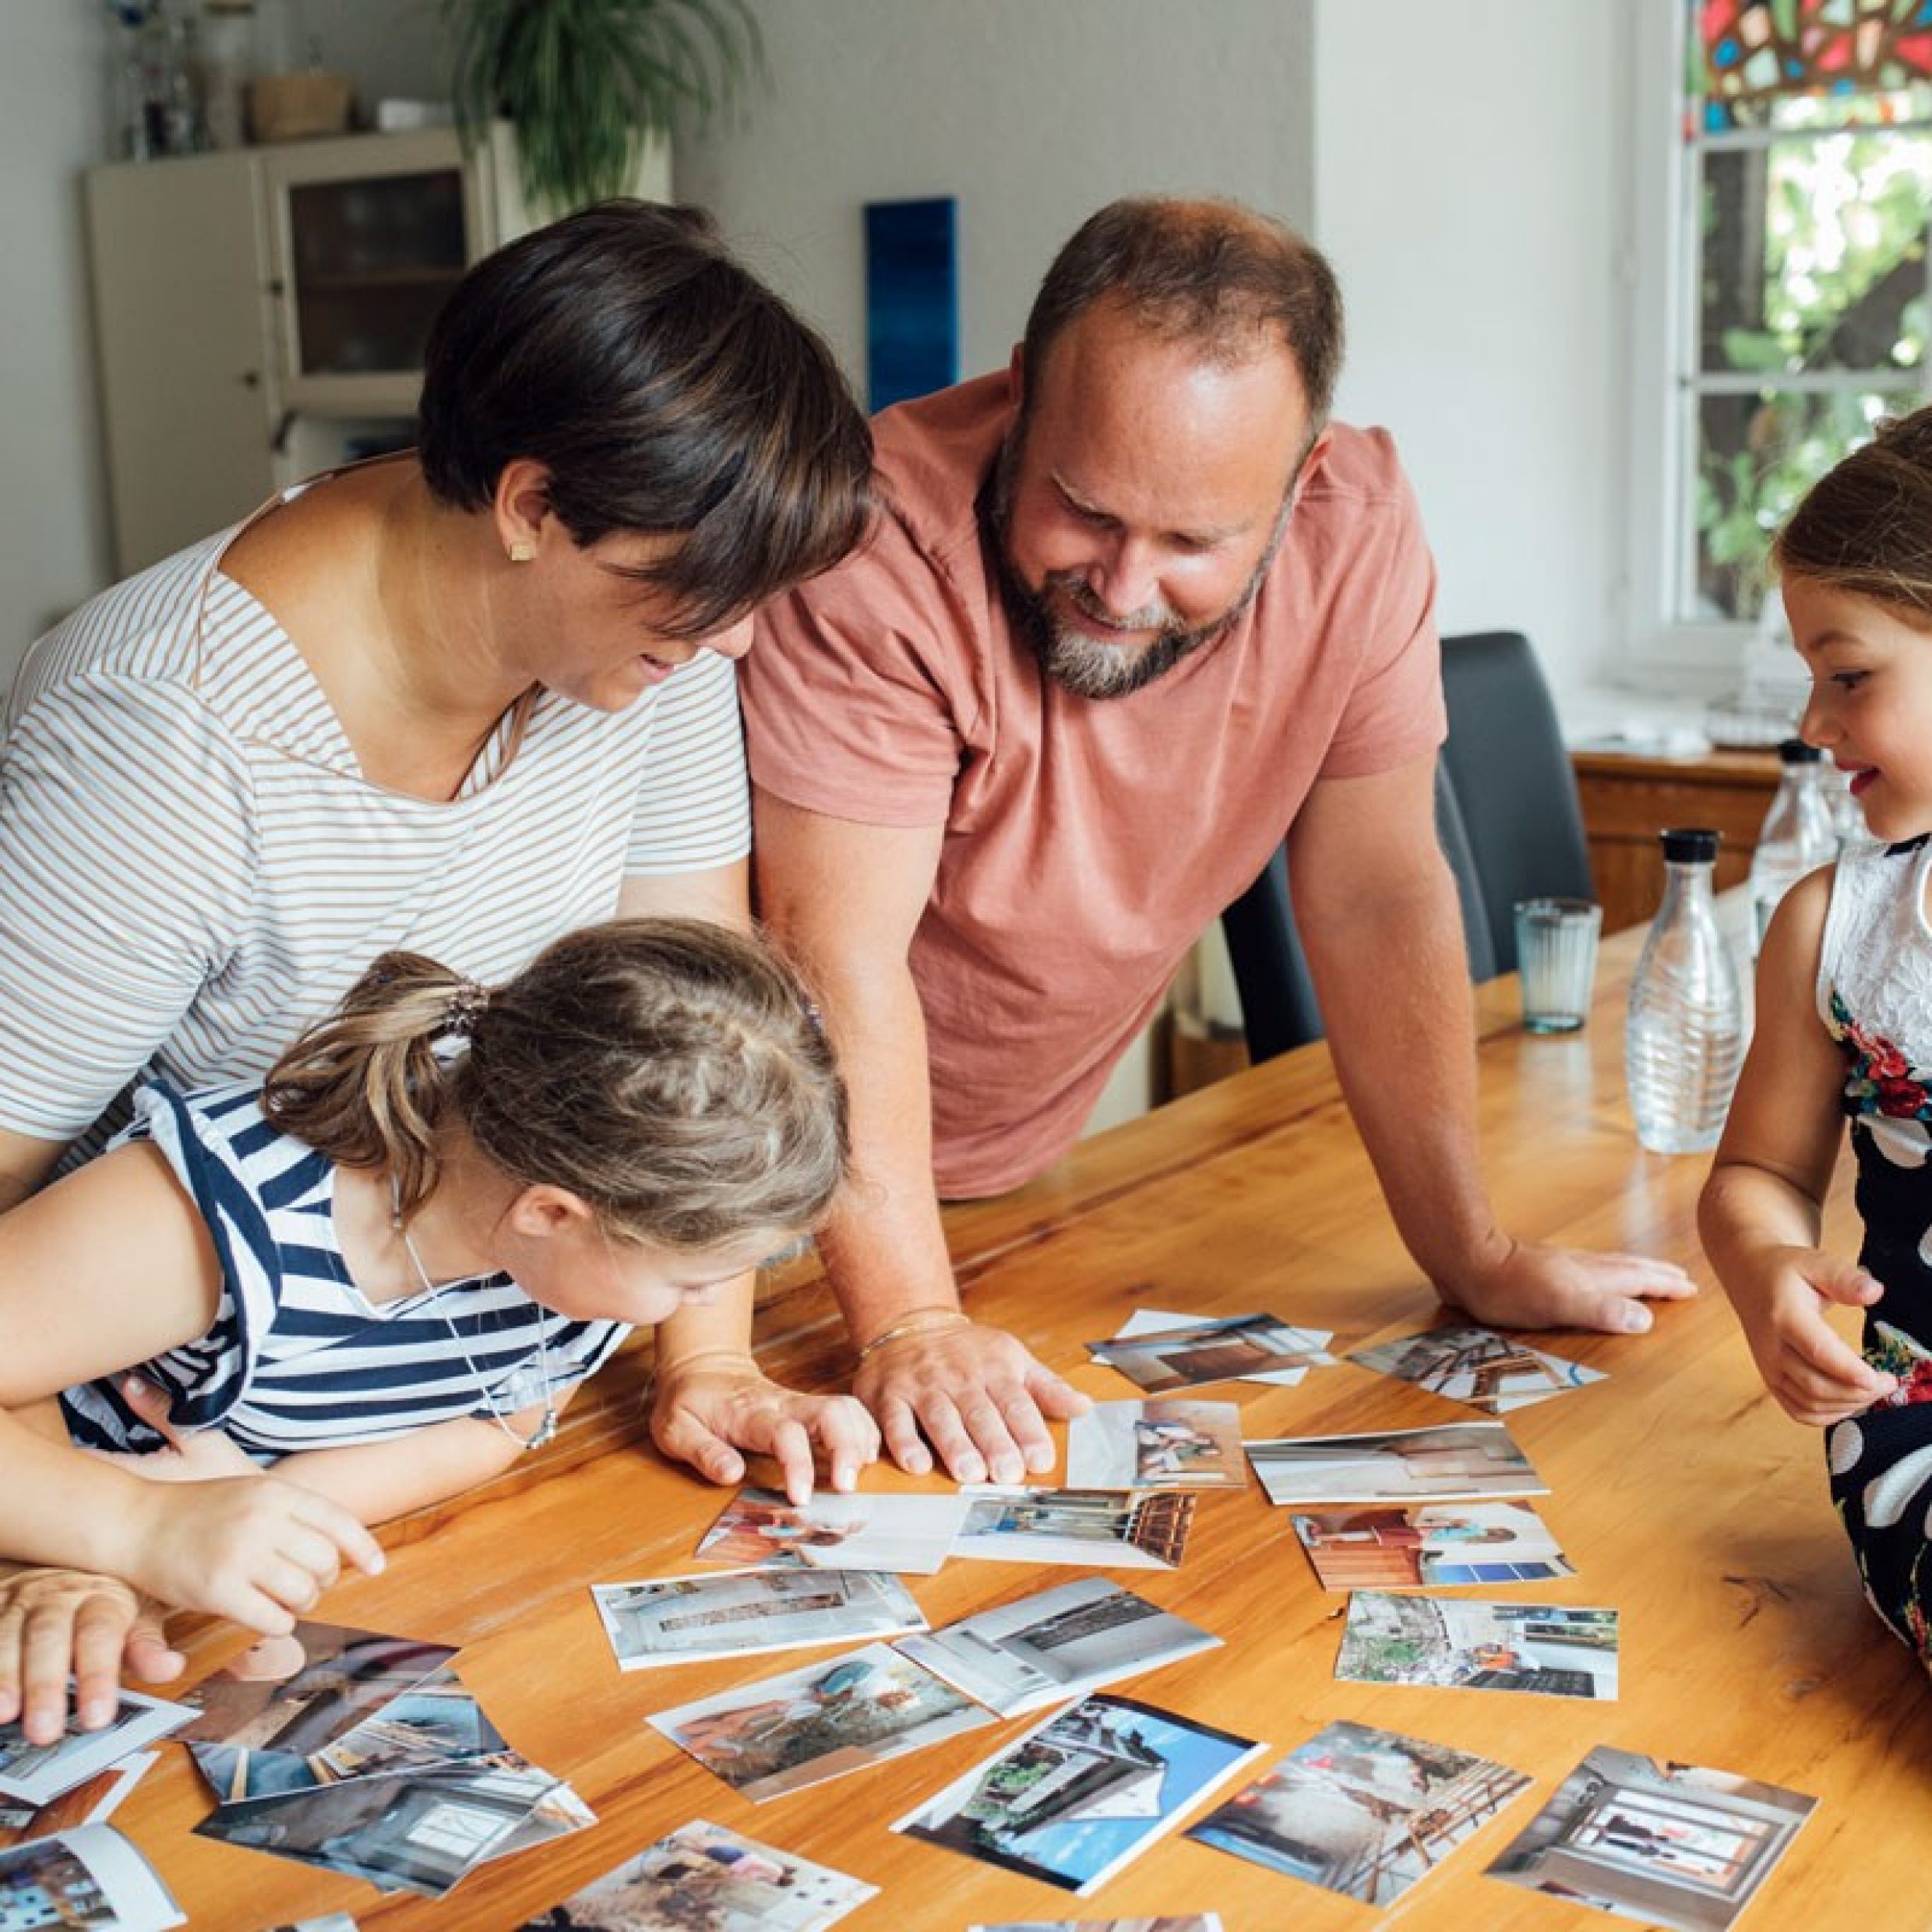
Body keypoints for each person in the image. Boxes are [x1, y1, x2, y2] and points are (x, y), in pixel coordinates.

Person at [743, 194, 1692, 1485]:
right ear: (1022, 397)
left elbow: (1377, 893)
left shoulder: (1359, 528)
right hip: (753, 1192)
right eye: (1084, 509)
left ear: (1303, 483)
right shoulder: (866, 541)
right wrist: (909, 1317)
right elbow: (830, 956)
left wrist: (1470, 1253)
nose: (1124, 588)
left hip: (1013, 1175)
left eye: (1194, 542)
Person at [0, 199, 872, 1497]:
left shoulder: (651, 649)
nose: (737, 640)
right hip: (142, 1448)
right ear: (532, 505)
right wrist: (91, 1531)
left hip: (412, 1411)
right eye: (706, 592)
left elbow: (701, 1049)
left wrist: (708, 1363)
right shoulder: (160, 739)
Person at [0, 917, 872, 1744]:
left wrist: (282, 1514)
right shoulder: (225, 1217)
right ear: (552, 1212)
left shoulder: (567, 1282)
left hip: (170, 1586)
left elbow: (495, 1421)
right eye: (693, 1275)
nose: (705, 1303)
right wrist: (132, 1530)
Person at [1700, 403, 1932, 1673]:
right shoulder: (1836, 927)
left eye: (1849, 675)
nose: (1818, 722)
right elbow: (1758, 1178)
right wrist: (1769, 1273)